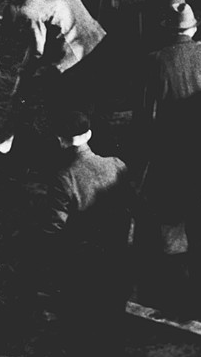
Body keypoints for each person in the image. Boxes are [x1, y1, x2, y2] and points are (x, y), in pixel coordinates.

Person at [136, 3, 201, 304]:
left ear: (168, 30)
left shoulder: (156, 60)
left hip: (171, 149)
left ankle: (178, 283)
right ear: (194, 27)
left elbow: (147, 113)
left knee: (172, 214)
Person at [28, 111, 134, 343]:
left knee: (81, 325)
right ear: (89, 134)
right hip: (117, 256)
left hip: (83, 264)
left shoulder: (65, 177)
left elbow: (54, 227)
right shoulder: (117, 165)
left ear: (60, 139)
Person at [0, 0, 108, 155]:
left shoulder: (29, 10)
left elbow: (36, 52)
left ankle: (65, 154)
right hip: (98, 38)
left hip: (75, 56)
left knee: (66, 103)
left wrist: (21, 83)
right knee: (93, 102)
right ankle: (95, 144)